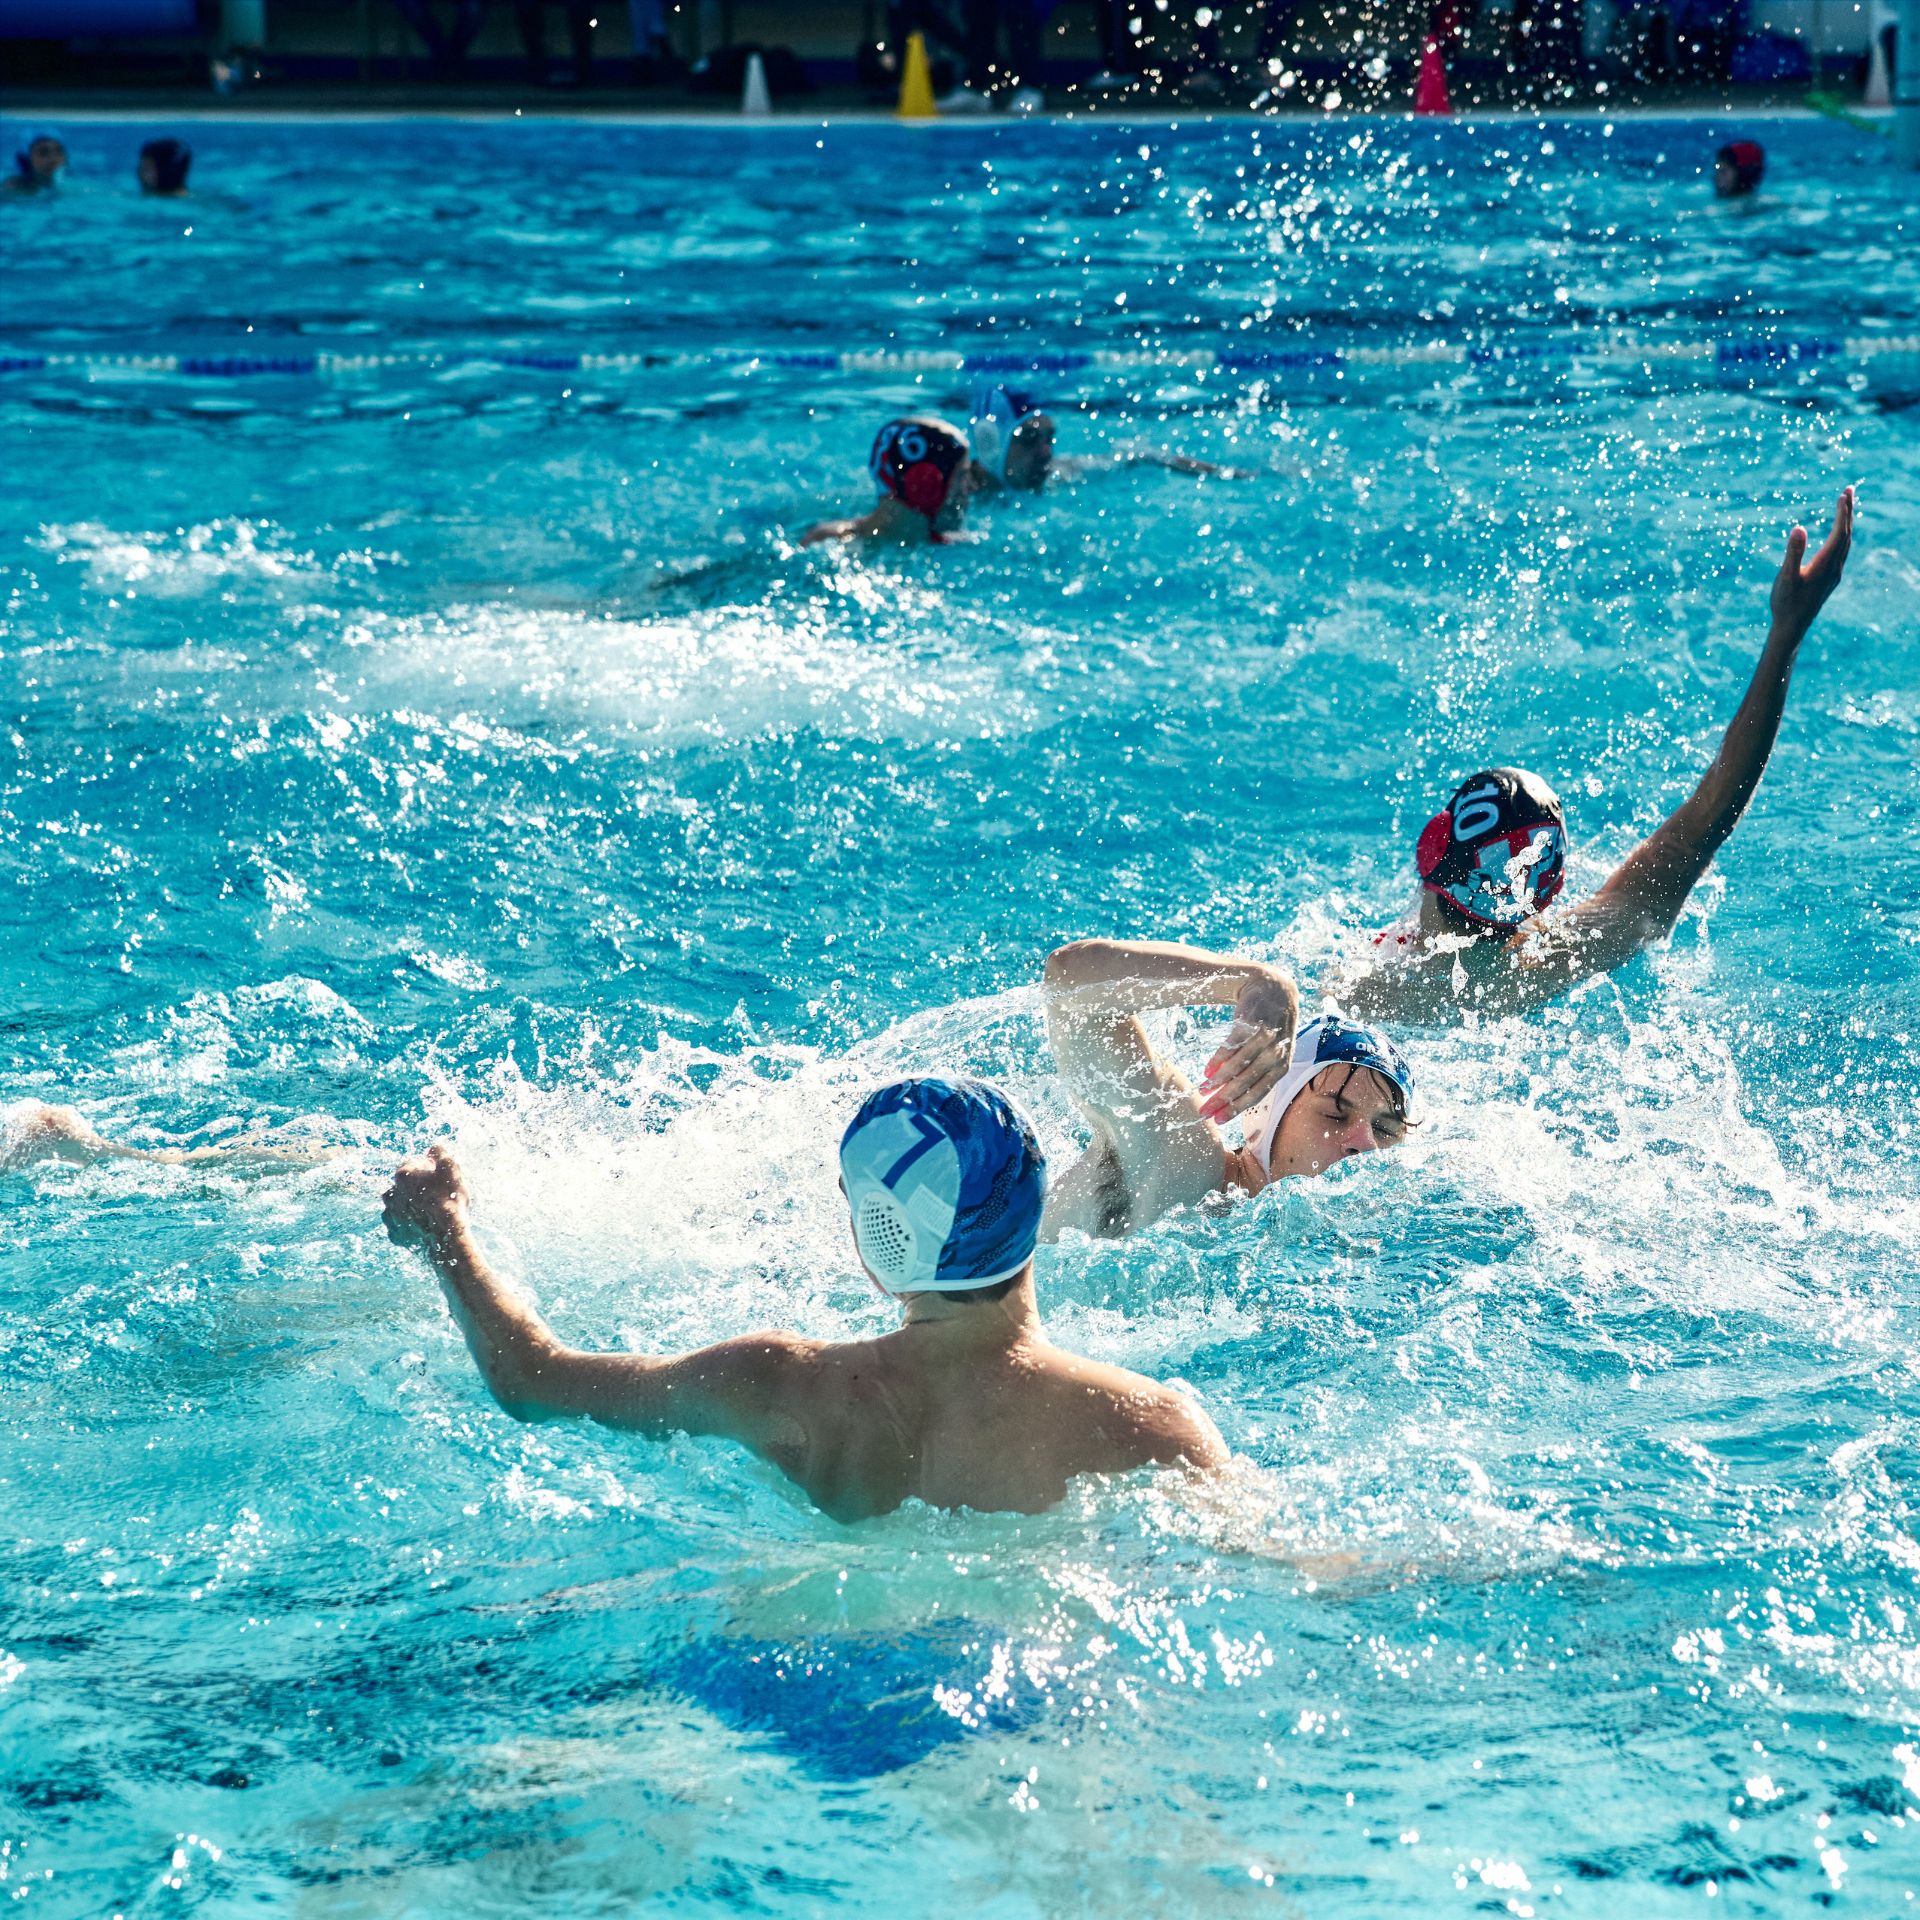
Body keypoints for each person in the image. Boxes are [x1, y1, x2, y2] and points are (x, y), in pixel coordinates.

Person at [382, 1079, 1227, 1520]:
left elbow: (531, 1379)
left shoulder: (769, 1384)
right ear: (1033, 1208)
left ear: (873, 1241)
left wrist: (444, 1231)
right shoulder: (1145, 1425)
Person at [1344, 487, 1855, 1025]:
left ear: (1432, 846)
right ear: (1547, 893)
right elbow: (1705, 822)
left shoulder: (1360, 994)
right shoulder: (1556, 959)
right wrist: (1786, 635)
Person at [1040, 939, 1414, 1241]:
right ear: (1266, 1102)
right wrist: (1253, 981)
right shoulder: (1181, 1158)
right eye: (1335, 1112)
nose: (1365, 1144)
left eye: (1385, 1130)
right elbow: (1070, 980)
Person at [966, 381, 1240, 492]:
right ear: (990, 444)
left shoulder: (1060, 474)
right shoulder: (956, 498)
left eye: (1049, 438)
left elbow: (1145, 457)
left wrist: (1226, 473)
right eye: (1029, 438)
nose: (1045, 452)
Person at [801, 416, 976, 546]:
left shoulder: (963, 546)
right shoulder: (831, 543)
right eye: (962, 476)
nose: (973, 487)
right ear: (925, 484)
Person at [4, 129, 67, 195]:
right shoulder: (12, 189)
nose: (53, 159)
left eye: (59, 151)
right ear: (27, 160)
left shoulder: (71, 185)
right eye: (43, 153)